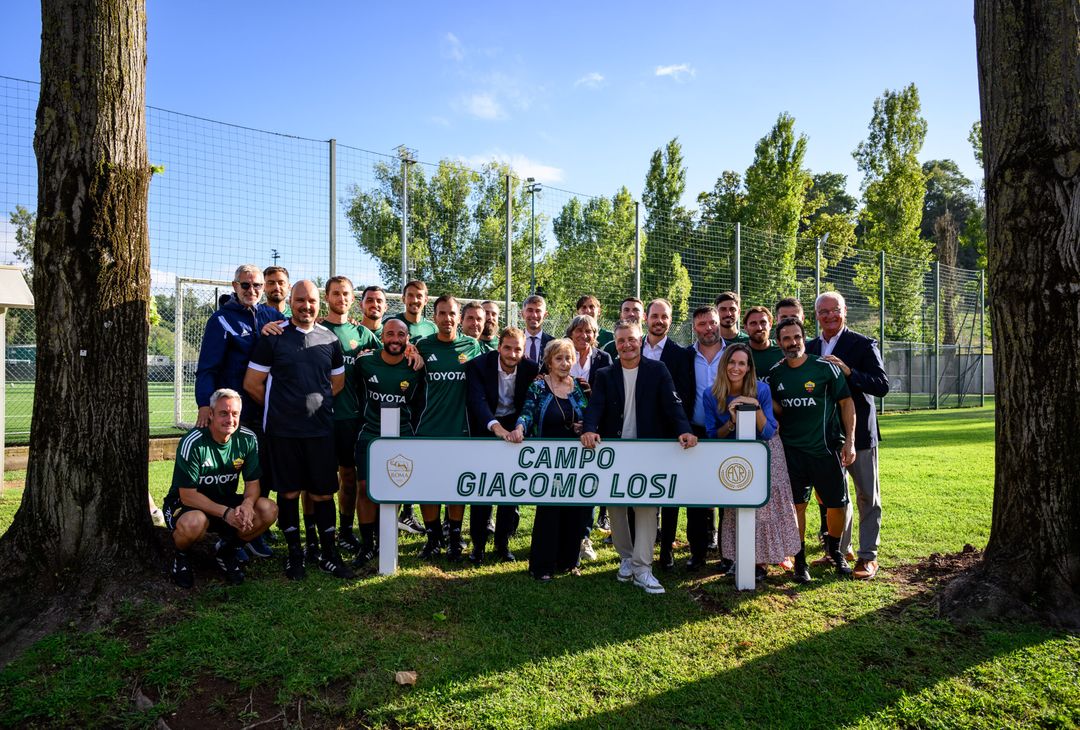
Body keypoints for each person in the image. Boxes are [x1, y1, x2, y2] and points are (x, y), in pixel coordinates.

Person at [243, 280, 352, 580]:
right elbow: (252, 383)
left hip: (320, 431)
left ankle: (329, 553)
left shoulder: (330, 339)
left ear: (320, 304)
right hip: (283, 432)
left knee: (323, 494)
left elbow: (337, 383)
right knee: (289, 491)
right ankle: (294, 554)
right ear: (291, 301)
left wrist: (312, 405)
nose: (306, 306)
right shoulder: (273, 337)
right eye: (301, 300)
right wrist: (283, 407)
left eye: (312, 301)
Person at [581, 319, 698, 595]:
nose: (627, 345)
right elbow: (595, 406)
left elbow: (673, 404)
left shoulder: (658, 370)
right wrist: (589, 429)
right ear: (616, 344)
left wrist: (684, 430)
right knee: (616, 504)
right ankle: (626, 558)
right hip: (615, 450)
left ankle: (643, 567)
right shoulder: (606, 374)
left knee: (647, 506)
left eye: (632, 339)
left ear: (640, 340)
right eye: (621, 341)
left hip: (648, 451)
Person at [193, 263, 284, 560]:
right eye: (245, 285)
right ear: (234, 287)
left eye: (257, 285)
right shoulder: (221, 320)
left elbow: (299, 331)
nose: (252, 290)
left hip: (264, 408)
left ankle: (254, 529)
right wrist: (204, 404)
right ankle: (226, 532)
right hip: (232, 414)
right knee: (226, 472)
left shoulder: (271, 315)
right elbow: (207, 368)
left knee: (262, 470)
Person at [806, 291, 890, 580]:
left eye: (835, 310)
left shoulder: (863, 344)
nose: (830, 315)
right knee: (836, 497)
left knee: (867, 495)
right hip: (826, 436)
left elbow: (881, 385)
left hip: (860, 435)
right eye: (824, 311)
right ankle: (839, 551)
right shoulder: (810, 347)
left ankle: (868, 556)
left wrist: (849, 372)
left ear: (845, 312)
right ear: (816, 315)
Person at [702, 344, 801, 581]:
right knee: (736, 506)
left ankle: (760, 562)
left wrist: (753, 405)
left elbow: (767, 431)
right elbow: (712, 435)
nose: (736, 368)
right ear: (724, 364)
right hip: (734, 455)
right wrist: (732, 421)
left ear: (748, 368)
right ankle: (739, 557)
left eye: (742, 363)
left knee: (763, 507)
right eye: (731, 362)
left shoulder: (761, 389)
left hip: (765, 452)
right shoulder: (711, 394)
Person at [769, 317, 857, 582]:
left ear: (804, 338)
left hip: (826, 450)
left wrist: (850, 441)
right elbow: (776, 408)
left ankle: (835, 551)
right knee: (797, 506)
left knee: (836, 505)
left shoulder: (825, 367)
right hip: (792, 452)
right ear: (779, 342)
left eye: (797, 337)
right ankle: (800, 561)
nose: (792, 342)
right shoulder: (776, 373)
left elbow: (846, 403)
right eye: (786, 338)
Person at [164, 388, 278, 588]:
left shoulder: (247, 438)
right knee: (194, 522)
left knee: (268, 509)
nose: (230, 419)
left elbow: (252, 483)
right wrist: (226, 513)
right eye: (223, 413)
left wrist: (247, 504)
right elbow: (188, 495)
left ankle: (227, 551)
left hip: (224, 501)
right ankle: (181, 556)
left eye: (235, 414)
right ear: (211, 414)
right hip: (187, 504)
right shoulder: (193, 441)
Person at [507, 338, 590, 582]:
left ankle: (568, 562)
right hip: (547, 460)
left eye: (568, 359)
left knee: (574, 510)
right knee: (549, 511)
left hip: (575, 459)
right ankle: (542, 566)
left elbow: (589, 415)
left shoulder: (579, 386)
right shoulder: (539, 386)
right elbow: (527, 412)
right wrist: (520, 428)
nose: (564, 363)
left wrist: (584, 426)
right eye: (559, 359)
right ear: (549, 362)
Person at [414, 295, 486, 560]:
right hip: (428, 429)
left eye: (452, 313)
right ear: (434, 317)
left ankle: (454, 539)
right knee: (428, 486)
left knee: (457, 485)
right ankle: (433, 538)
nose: (447, 318)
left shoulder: (472, 346)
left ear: (459, 318)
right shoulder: (422, 346)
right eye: (442, 313)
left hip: (460, 429)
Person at [350, 318, 425, 569]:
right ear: (382, 337)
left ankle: (385, 538)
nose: (395, 339)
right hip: (370, 433)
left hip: (402, 434)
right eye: (390, 334)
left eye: (401, 335)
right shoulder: (364, 362)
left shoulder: (416, 366)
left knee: (395, 487)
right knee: (364, 487)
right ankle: (367, 544)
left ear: (408, 339)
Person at [465, 326, 539, 563]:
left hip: (515, 427)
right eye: (507, 348)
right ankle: (478, 545)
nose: (512, 354)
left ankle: (502, 543)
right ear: (499, 347)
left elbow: (530, 402)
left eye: (518, 349)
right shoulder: (479, 366)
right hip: (486, 425)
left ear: (524, 350)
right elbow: (477, 402)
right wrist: (496, 427)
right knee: (483, 488)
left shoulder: (531, 368)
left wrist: (519, 428)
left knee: (510, 488)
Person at [321, 276, 379, 554]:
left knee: (348, 476)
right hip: (318, 417)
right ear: (326, 297)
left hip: (350, 418)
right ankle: (318, 537)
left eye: (345, 294)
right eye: (336, 293)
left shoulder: (363, 335)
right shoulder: (315, 329)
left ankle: (345, 532)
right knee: (316, 481)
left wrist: (412, 350)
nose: (341, 298)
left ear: (352, 299)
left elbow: (390, 356)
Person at [643, 298, 697, 571]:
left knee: (669, 492)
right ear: (646, 318)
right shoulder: (632, 347)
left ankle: (666, 549)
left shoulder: (680, 354)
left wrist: (679, 428)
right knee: (640, 490)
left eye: (664, 317)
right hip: (638, 432)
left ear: (670, 320)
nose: (659, 321)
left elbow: (685, 395)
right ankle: (639, 547)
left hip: (669, 433)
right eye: (655, 316)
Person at [565, 313, 614, 556]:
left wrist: (590, 424)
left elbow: (609, 394)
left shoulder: (604, 358)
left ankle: (584, 538)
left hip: (593, 430)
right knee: (565, 483)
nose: (584, 335)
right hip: (564, 428)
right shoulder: (561, 353)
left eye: (589, 332)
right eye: (579, 330)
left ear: (595, 335)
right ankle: (562, 535)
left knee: (588, 483)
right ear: (571, 333)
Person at [686, 305, 724, 569]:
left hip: (728, 431)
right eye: (702, 324)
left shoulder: (733, 353)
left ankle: (728, 554)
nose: (708, 328)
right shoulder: (686, 356)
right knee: (696, 495)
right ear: (694, 328)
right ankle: (697, 553)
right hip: (696, 431)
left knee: (728, 493)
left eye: (712, 322)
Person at [744, 306, 784, 387]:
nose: (759, 328)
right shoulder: (739, 352)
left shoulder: (782, 351)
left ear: (770, 325)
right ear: (745, 328)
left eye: (763, 322)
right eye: (753, 323)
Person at [521, 294, 553, 363]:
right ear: (522, 314)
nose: (534, 315)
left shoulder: (552, 343)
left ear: (545, 315)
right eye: (530, 310)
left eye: (538, 311)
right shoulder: (514, 341)